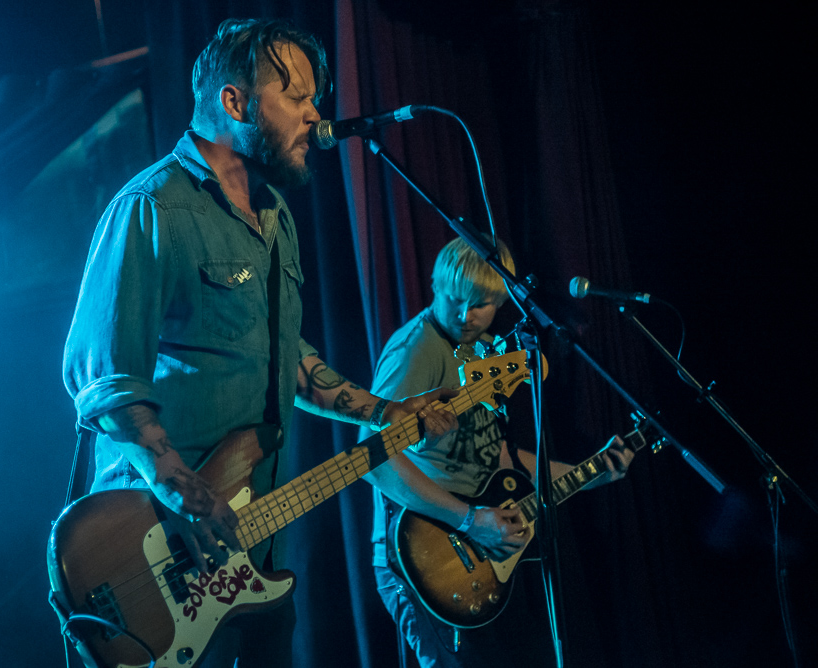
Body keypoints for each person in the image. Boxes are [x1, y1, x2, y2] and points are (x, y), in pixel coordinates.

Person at [62, 18, 449, 668]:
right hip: (162, 554)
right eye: (295, 96)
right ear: (235, 102)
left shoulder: (273, 217)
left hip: (257, 555)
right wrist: (184, 489)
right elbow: (102, 377)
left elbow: (287, 358)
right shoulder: (153, 209)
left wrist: (386, 413)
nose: (314, 114)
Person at [360, 237, 635, 667]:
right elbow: (370, 458)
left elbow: (495, 458)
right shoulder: (416, 350)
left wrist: (591, 472)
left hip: (477, 547)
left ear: (503, 300)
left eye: (481, 305)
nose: (465, 316)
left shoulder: (481, 352)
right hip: (423, 552)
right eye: (454, 299)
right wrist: (470, 519)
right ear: (435, 284)